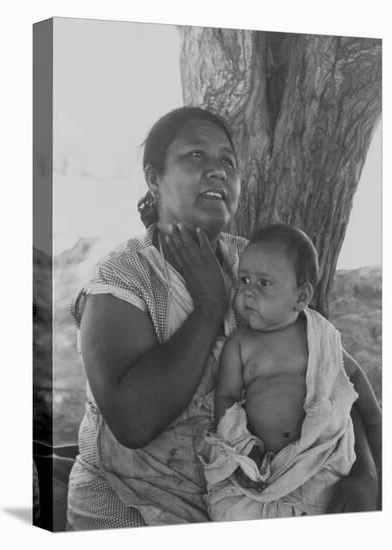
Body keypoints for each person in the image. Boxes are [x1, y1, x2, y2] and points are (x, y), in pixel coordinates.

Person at [66, 107, 378, 530]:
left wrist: (366, 474)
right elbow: (133, 423)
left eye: (228, 161)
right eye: (195, 156)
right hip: (133, 510)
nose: (216, 170)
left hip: (254, 500)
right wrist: (210, 302)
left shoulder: (252, 264)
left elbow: (330, 370)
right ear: (154, 178)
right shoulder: (122, 280)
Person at [201, 224, 382, 520]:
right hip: (262, 466)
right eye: (244, 279)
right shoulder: (241, 343)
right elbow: (226, 398)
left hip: (321, 460)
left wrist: (375, 431)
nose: (247, 291)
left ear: (300, 297)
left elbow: (353, 379)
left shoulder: (319, 334)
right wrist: (242, 449)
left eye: (264, 283)